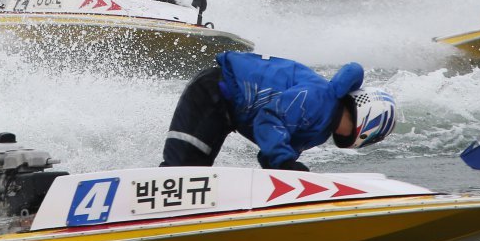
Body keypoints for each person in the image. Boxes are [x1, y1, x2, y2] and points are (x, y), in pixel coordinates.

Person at [161, 51, 398, 171]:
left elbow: (271, 153)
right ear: (370, 122)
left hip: (224, 109)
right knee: (181, 173)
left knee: (194, 174)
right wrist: (286, 165)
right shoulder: (320, 100)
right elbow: (269, 119)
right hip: (213, 92)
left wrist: (285, 171)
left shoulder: (322, 125)